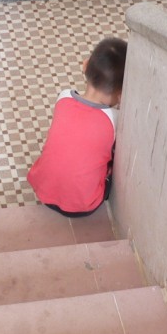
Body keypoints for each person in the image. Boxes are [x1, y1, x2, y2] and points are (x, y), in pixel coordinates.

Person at [27, 37, 127, 217]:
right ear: (121, 94)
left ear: (85, 65)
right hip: (83, 206)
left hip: (43, 192)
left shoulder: (63, 98)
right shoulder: (115, 119)